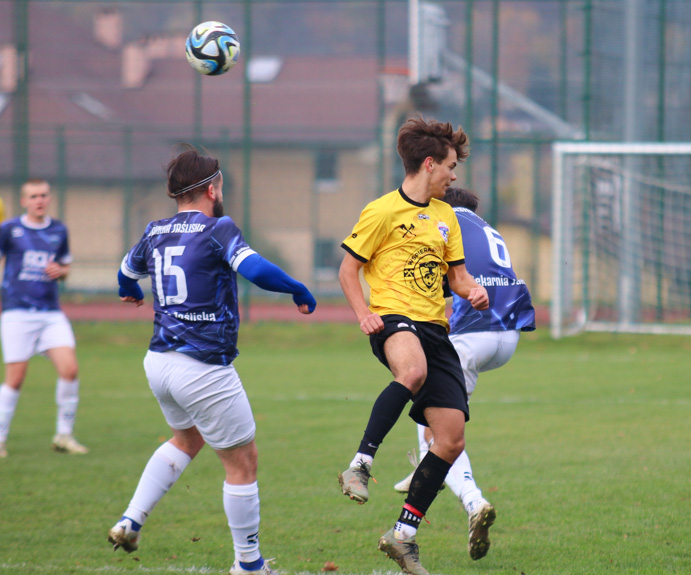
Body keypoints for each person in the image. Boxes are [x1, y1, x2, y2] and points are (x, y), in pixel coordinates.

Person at [107, 145, 317, 575]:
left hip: (159, 364)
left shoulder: (155, 230)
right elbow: (254, 270)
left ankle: (131, 519)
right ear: (212, 188)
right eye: (220, 183)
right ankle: (250, 565)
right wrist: (298, 288)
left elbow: (126, 271)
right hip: (201, 368)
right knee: (243, 462)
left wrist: (130, 291)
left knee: (186, 440)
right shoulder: (217, 228)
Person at [337, 115, 489, 575]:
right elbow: (348, 270)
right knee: (413, 371)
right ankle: (359, 465)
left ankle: (403, 535)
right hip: (393, 320)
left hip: (436, 330)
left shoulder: (446, 217)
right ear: (428, 164)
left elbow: (457, 278)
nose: (454, 175)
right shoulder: (382, 211)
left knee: (450, 440)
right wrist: (365, 313)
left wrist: (472, 290)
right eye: (449, 166)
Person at [392, 186, 536, 560]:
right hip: (509, 334)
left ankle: (473, 501)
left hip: (473, 334)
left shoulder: (444, 221)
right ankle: (429, 466)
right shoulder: (486, 227)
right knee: (429, 406)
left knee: (436, 428)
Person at [0, 179, 87, 458]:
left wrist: (60, 271)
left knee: (70, 370)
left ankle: (64, 436)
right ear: (24, 201)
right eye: (33, 196)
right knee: (15, 378)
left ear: (49, 199)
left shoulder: (59, 230)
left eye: (44, 195)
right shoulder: (9, 229)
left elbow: (66, 268)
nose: (39, 200)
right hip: (16, 313)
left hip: (50, 313)